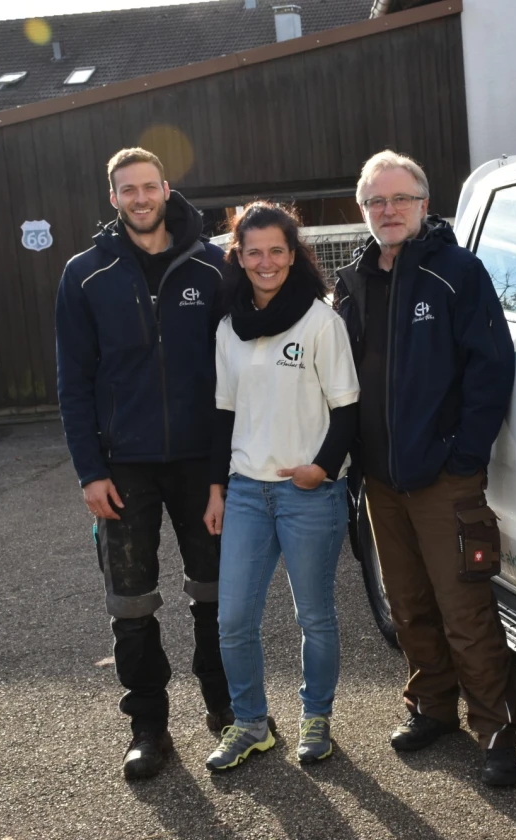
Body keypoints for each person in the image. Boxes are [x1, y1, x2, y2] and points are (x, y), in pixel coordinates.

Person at [334, 151, 516, 786]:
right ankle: (432, 708)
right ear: (363, 211)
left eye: (399, 199)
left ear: (423, 202)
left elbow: (491, 367)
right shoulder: (355, 283)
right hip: (381, 480)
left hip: (444, 479)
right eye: (375, 203)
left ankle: (495, 730)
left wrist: (464, 455)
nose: (388, 211)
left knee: (463, 608)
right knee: (409, 605)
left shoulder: (457, 273)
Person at [55, 147, 232, 781]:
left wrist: (222, 472)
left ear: (165, 189)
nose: (139, 198)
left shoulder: (213, 267)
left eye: (148, 187)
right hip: (121, 466)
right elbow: (73, 382)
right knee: (130, 601)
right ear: (113, 197)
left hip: (200, 460)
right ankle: (149, 728)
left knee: (215, 591)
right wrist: (88, 470)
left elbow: (236, 374)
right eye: (126, 189)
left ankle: (225, 708)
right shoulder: (85, 274)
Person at [203, 202, 359, 772]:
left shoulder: (322, 322)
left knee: (313, 615)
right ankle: (250, 725)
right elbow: (223, 415)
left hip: (307, 493)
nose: (265, 262)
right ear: (238, 258)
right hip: (246, 490)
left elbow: (346, 410)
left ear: (292, 256)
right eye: (253, 252)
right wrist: (217, 488)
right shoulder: (228, 330)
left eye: (276, 250)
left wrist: (321, 468)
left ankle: (315, 718)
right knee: (233, 619)